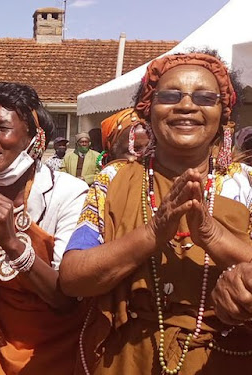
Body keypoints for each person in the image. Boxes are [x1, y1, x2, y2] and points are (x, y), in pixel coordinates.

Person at [60, 51, 252, 374]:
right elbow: (72, 276)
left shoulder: (244, 185)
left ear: (224, 114)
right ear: (148, 110)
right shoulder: (113, 178)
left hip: (221, 360)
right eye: (171, 95)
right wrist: (152, 234)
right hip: (126, 362)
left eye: (205, 97)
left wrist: (213, 236)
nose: (187, 106)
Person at [0, 82, 89, 374]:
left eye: (2, 127)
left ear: (34, 140)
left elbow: (65, 298)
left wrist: (13, 245)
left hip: (58, 346)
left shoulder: (69, 193)